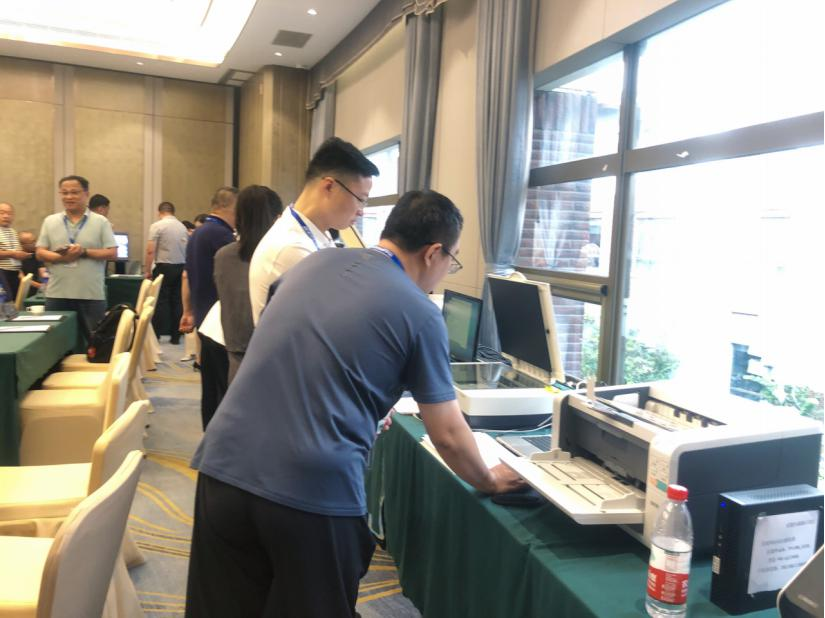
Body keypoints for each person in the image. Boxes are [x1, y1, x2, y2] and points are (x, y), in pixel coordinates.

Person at [185, 190, 525, 618]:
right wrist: (490, 481)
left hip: (223, 464)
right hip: (310, 488)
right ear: (433, 252)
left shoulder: (312, 264)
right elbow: (449, 436)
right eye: (451, 260)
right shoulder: (420, 312)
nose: (444, 273)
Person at [249, 136, 379, 325]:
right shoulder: (292, 248)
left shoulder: (317, 232)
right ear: (329, 186)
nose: (361, 210)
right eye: (361, 199)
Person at [180, 187, 238, 429]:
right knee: (221, 386)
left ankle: (211, 431)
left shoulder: (199, 232)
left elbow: (187, 276)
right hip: (219, 321)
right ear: (230, 206)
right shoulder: (221, 236)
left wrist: (189, 310)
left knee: (210, 384)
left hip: (204, 315)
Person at [214, 186, 283, 383]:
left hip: (235, 346)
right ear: (276, 218)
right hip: (273, 354)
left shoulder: (223, 256)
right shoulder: (279, 255)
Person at [36, 176, 116, 342]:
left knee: (95, 344)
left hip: (91, 294)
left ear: (86, 194)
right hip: (57, 294)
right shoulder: (50, 221)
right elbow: (40, 253)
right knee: (54, 345)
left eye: (74, 192)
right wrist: (62, 257)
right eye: (64, 193)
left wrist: (83, 252)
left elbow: (112, 253)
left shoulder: (101, 222)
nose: (69, 197)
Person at [145, 201, 188, 344]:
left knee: (161, 301)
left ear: (159, 212)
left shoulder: (157, 226)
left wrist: (147, 270)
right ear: (173, 212)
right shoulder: (182, 227)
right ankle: (176, 337)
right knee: (177, 301)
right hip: (180, 266)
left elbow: (150, 250)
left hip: (164, 267)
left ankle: (157, 334)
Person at [0, 202, 31, 300]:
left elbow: (16, 252)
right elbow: (13, 253)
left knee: (16, 302)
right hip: (2, 273)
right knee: (6, 302)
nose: (6, 216)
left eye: (9, 213)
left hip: (15, 273)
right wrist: (13, 254)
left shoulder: (13, 232)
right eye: (2, 213)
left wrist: (22, 255)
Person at [17, 231, 47, 296]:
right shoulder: (17, 257)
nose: (35, 244)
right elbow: (23, 279)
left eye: (35, 241)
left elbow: (43, 272)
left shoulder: (36, 254)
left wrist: (47, 283)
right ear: (22, 244)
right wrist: (40, 286)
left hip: (36, 290)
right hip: (21, 291)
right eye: (32, 242)